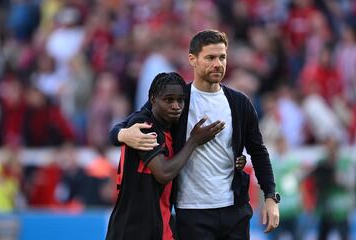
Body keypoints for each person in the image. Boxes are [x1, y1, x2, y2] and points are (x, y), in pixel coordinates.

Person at [109, 29, 279, 239]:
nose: (218, 63)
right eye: (210, 57)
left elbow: (259, 152)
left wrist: (271, 196)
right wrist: (122, 135)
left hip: (235, 210)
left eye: (222, 57)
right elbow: (122, 126)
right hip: (192, 212)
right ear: (193, 59)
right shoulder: (177, 99)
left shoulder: (239, 103)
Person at [105, 72, 227, 240]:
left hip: (163, 226)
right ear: (153, 100)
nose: (176, 106)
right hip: (132, 230)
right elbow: (164, 173)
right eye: (169, 100)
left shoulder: (173, 126)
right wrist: (194, 141)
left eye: (180, 100)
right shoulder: (144, 126)